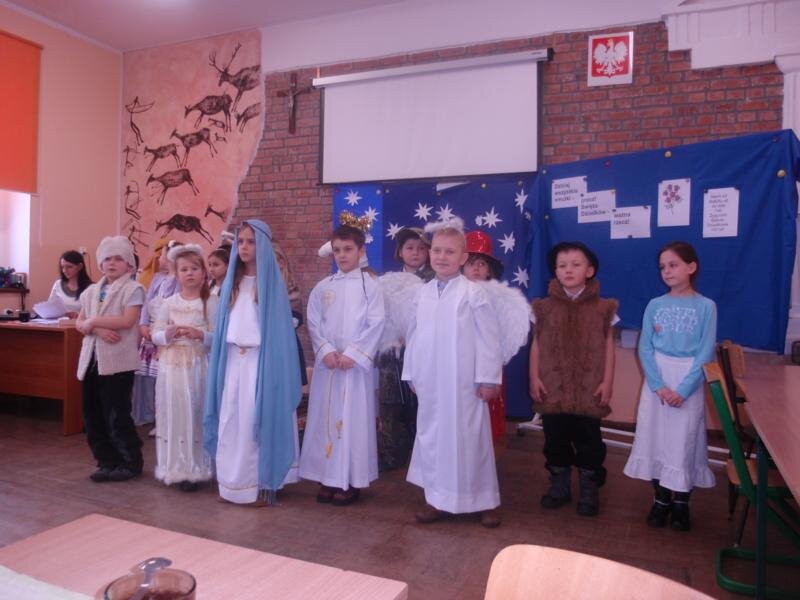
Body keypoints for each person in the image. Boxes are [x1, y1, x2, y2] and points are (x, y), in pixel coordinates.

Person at [403, 217, 504, 528]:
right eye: (437, 250)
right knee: (433, 440)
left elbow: (489, 339)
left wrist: (488, 378)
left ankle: (483, 500)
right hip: (431, 383)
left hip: (465, 384)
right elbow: (413, 334)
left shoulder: (473, 294)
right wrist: (411, 373)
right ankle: (437, 499)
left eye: (450, 252)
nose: (442, 257)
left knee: (471, 440)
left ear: (463, 258)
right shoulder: (422, 293)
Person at [204, 220, 303, 506]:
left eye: (250, 241)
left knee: (253, 422)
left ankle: (262, 485)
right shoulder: (231, 283)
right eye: (240, 241)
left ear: (262, 245)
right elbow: (223, 327)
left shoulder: (271, 285)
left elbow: (280, 335)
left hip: (260, 364)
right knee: (230, 421)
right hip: (233, 362)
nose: (244, 247)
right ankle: (233, 486)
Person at [624, 241, 716, 531]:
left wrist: (683, 390)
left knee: (683, 440)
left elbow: (705, 353)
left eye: (673, 265)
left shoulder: (706, 306)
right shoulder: (655, 305)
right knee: (656, 438)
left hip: (687, 380)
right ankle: (661, 499)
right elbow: (645, 348)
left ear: (691, 267)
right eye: (662, 266)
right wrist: (658, 385)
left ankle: (681, 502)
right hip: (658, 383)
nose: (666, 271)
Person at [529, 241, 617, 517]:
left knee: (589, 440)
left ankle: (590, 488)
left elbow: (609, 347)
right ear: (555, 271)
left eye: (575, 265)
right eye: (562, 265)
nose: (568, 270)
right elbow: (536, 344)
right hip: (552, 387)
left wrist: (607, 381)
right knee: (555, 438)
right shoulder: (543, 308)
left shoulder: (604, 308)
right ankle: (559, 485)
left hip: (589, 389)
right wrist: (534, 377)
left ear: (589, 271)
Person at [300, 225, 385, 505]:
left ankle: (349, 480)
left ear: (361, 251)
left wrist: (354, 354)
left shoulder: (371, 287)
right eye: (337, 250)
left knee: (352, 422)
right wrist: (325, 350)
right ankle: (326, 477)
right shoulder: (324, 287)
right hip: (329, 368)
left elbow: (376, 323)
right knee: (324, 420)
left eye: (348, 249)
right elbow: (314, 321)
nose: (342, 255)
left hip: (353, 369)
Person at [76, 236, 145, 482]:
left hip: (118, 362)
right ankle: (106, 461)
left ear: (129, 264)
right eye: (107, 259)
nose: (112, 263)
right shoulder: (91, 291)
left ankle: (130, 462)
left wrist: (94, 322)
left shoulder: (133, 289)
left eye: (118, 259)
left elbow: (127, 320)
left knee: (117, 413)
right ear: (100, 264)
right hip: (91, 361)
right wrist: (96, 328)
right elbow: (80, 322)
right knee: (92, 414)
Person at [151, 244, 218, 492]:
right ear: (177, 274)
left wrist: (200, 335)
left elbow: (219, 336)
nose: (189, 273)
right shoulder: (168, 303)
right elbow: (155, 333)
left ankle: (196, 467)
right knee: (173, 411)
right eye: (184, 269)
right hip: (171, 366)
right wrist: (166, 334)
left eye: (194, 268)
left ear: (203, 272)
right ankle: (174, 467)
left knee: (195, 412)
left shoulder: (211, 302)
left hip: (197, 365)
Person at [375, 228, 432, 471]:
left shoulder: (435, 281)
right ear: (400, 252)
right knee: (390, 402)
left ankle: (425, 459)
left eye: (421, 248)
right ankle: (391, 453)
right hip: (391, 354)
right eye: (409, 248)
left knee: (423, 403)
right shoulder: (387, 281)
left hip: (423, 353)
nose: (415, 253)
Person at [462, 231, 507, 443]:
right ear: (461, 266)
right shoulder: (454, 294)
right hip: (462, 362)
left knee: (486, 411)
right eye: (471, 263)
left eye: (482, 264)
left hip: (488, 361)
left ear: (489, 270)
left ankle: (486, 449)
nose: (476, 268)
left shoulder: (498, 298)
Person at [132, 240, 181, 429]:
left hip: (164, 333)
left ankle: (163, 419)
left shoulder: (179, 280)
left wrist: (159, 330)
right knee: (145, 377)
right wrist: (143, 325)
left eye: (162, 254)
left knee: (162, 378)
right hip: (149, 332)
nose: (159, 258)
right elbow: (147, 303)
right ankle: (146, 413)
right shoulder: (157, 278)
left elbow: (174, 308)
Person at [48, 250, 93, 318]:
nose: (64, 270)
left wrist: (78, 315)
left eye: (69, 267)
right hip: (59, 322)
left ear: (80, 266)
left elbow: (96, 312)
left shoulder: (91, 288)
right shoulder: (58, 284)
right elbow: (50, 307)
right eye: (62, 267)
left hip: (79, 323)